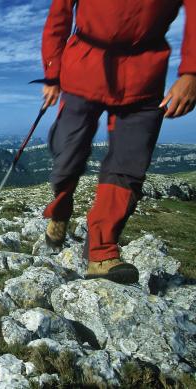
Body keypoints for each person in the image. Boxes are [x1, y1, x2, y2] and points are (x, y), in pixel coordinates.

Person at [40, 0, 196, 284]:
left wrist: (191, 72)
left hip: (144, 75)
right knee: (67, 152)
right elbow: (59, 13)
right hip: (83, 68)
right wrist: (52, 73)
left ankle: (101, 251)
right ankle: (61, 206)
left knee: (130, 162)